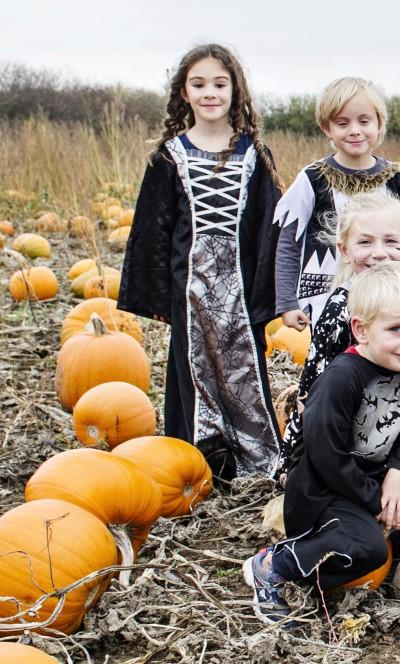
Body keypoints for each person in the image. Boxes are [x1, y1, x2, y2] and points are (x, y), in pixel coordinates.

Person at [243, 262, 400, 626]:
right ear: (361, 330)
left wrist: (399, 473)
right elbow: (325, 456)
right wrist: (376, 500)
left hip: (378, 478)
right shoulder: (341, 380)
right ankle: (274, 565)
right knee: (369, 549)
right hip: (324, 491)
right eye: (397, 329)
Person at [119, 43, 282, 479]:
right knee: (194, 370)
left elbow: (270, 228)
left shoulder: (254, 154)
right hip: (189, 286)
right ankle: (199, 458)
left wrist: (275, 294)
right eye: (199, 84)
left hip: (240, 286)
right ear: (184, 93)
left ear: (236, 90)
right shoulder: (169, 156)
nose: (210, 92)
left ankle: (253, 453)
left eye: (219, 83)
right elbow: (152, 230)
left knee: (243, 366)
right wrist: (160, 293)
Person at [280, 191, 400, 462]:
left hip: (395, 430)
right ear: (344, 250)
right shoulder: (340, 309)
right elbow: (314, 386)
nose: (379, 253)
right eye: (365, 242)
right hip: (342, 437)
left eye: (391, 241)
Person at [273, 76, 400, 327]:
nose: (354, 130)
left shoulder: (396, 180)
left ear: (379, 123)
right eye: (342, 123)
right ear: (326, 127)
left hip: (387, 297)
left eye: (364, 121)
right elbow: (289, 242)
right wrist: (288, 303)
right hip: (322, 300)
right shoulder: (312, 179)